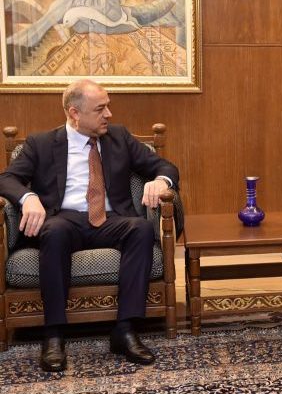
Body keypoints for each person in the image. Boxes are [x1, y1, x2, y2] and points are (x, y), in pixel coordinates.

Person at [0, 79, 179, 372]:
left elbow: (166, 166)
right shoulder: (41, 143)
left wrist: (161, 181)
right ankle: (54, 334)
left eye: (108, 106)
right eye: (100, 109)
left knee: (141, 228)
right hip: (64, 219)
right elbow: (6, 178)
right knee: (54, 231)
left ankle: (125, 329)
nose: (109, 114)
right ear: (75, 113)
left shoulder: (119, 137)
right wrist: (28, 198)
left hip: (110, 219)